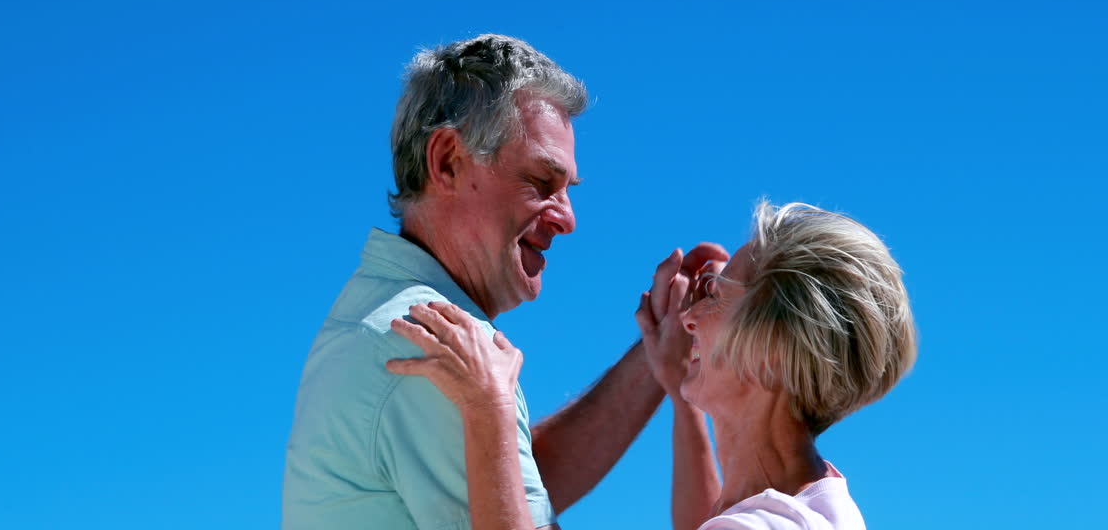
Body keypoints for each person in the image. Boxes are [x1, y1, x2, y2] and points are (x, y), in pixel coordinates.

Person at [282, 34, 724, 530]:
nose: (568, 219)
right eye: (541, 182)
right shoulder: (430, 344)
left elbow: (510, 490)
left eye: (567, 190)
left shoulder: (404, 324)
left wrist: (656, 351)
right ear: (447, 160)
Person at [388, 202, 917, 530]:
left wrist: (491, 409)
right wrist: (674, 385)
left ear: (770, 353)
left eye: (715, 294)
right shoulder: (816, 498)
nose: (691, 320)